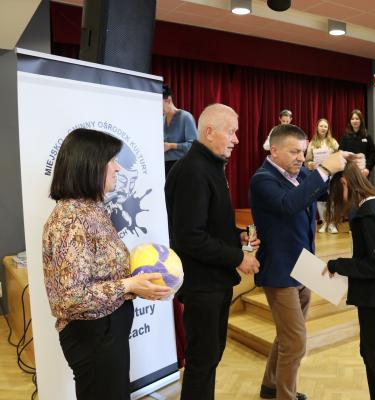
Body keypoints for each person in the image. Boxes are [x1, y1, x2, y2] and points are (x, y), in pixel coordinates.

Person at [42, 128, 171, 400]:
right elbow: (70, 297)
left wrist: (140, 281)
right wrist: (129, 285)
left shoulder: (91, 209)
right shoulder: (71, 219)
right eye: (111, 160)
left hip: (106, 331)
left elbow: (103, 272)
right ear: (90, 164)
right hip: (94, 336)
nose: (118, 168)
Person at [165, 103, 260, 400]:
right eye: (231, 132)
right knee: (202, 361)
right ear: (209, 132)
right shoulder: (193, 171)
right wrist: (239, 257)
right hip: (202, 285)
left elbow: (209, 225)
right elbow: (190, 237)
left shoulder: (208, 166)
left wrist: (236, 236)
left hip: (213, 282)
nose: (236, 139)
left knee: (210, 357)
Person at [250, 124, 347, 400]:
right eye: (294, 152)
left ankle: (270, 386)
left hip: (304, 265)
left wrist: (346, 172)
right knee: (295, 342)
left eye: (303, 152)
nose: (301, 158)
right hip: (279, 269)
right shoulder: (262, 179)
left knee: (288, 336)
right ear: (274, 150)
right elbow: (289, 204)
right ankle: (286, 396)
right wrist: (324, 170)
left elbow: (320, 194)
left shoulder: (301, 173)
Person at [323, 161, 375, 400]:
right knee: (370, 353)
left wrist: (338, 265)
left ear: (344, 183)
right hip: (374, 293)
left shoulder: (369, 213)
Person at [305, 118, 339, 233]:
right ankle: (324, 222)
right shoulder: (312, 143)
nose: (323, 128)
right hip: (318, 175)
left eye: (325, 126)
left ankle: (332, 223)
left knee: (332, 199)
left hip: (332, 174)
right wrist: (311, 164)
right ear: (317, 128)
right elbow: (307, 161)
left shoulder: (333, 142)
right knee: (320, 199)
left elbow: (339, 156)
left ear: (328, 128)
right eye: (321, 126)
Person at [163, 85, 197, 176]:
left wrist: (171, 146)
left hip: (182, 166)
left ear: (169, 100)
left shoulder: (186, 117)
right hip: (164, 167)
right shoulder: (162, 119)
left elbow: (194, 146)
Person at [339, 109, 375, 178]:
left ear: (361, 120)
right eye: (352, 119)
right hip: (349, 172)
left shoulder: (367, 136)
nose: (355, 121)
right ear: (350, 121)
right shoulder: (345, 137)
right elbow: (340, 153)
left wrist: (367, 168)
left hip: (363, 172)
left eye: (357, 119)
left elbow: (372, 155)